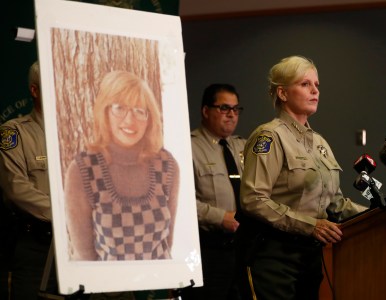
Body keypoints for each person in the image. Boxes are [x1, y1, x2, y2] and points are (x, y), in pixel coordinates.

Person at [236, 56, 367, 300]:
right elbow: (253, 199)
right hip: (273, 255)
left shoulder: (319, 142)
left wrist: (377, 215)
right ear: (282, 93)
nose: (315, 90)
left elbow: (335, 204)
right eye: (305, 84)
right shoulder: (269, 136)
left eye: (317, 85)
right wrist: (310, 225)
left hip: (310, 257)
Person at [64, 70, 180, 261]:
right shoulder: (83, 169)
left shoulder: (167, 165)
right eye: (119, 108)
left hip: (157, 282)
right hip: (107, 288)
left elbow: (168, 242)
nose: (129, 120)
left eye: (139, 111)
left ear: (150, 118)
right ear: (105, 111)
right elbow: (84, 255)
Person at [0, 61, 58, 299]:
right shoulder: (14, 132)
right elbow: (16, 188)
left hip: (81, 251)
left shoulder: (83, 133)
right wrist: (68, 218)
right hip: (37, 246)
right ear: (34, 91)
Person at [184, 84, 246, 300]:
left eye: (236, 109)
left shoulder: (243, 148)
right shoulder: (187, 147)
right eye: (224, 108)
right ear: (205, 110)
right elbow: (180, 203)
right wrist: (221, 217)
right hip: (208, 250)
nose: (231, 115)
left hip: (244, 251)